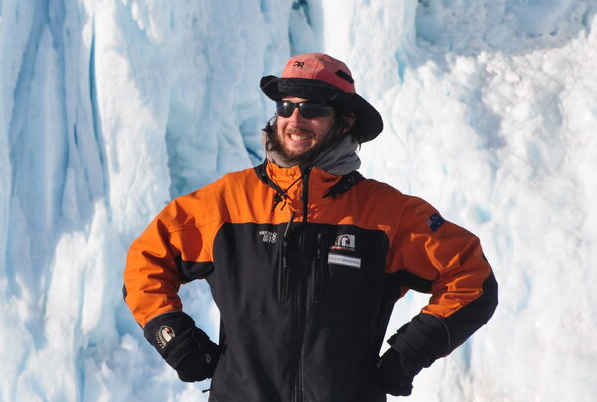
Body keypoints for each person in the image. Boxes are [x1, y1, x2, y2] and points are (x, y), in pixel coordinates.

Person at [122, 53, 497, 401]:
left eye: (313, 109)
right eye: (286, 107)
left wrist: (409, 352)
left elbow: (471, 277)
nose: (295, 121)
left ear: (346, 121)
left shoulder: (388, 214)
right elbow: (147, 260)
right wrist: (173, 337)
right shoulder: (226, 203)